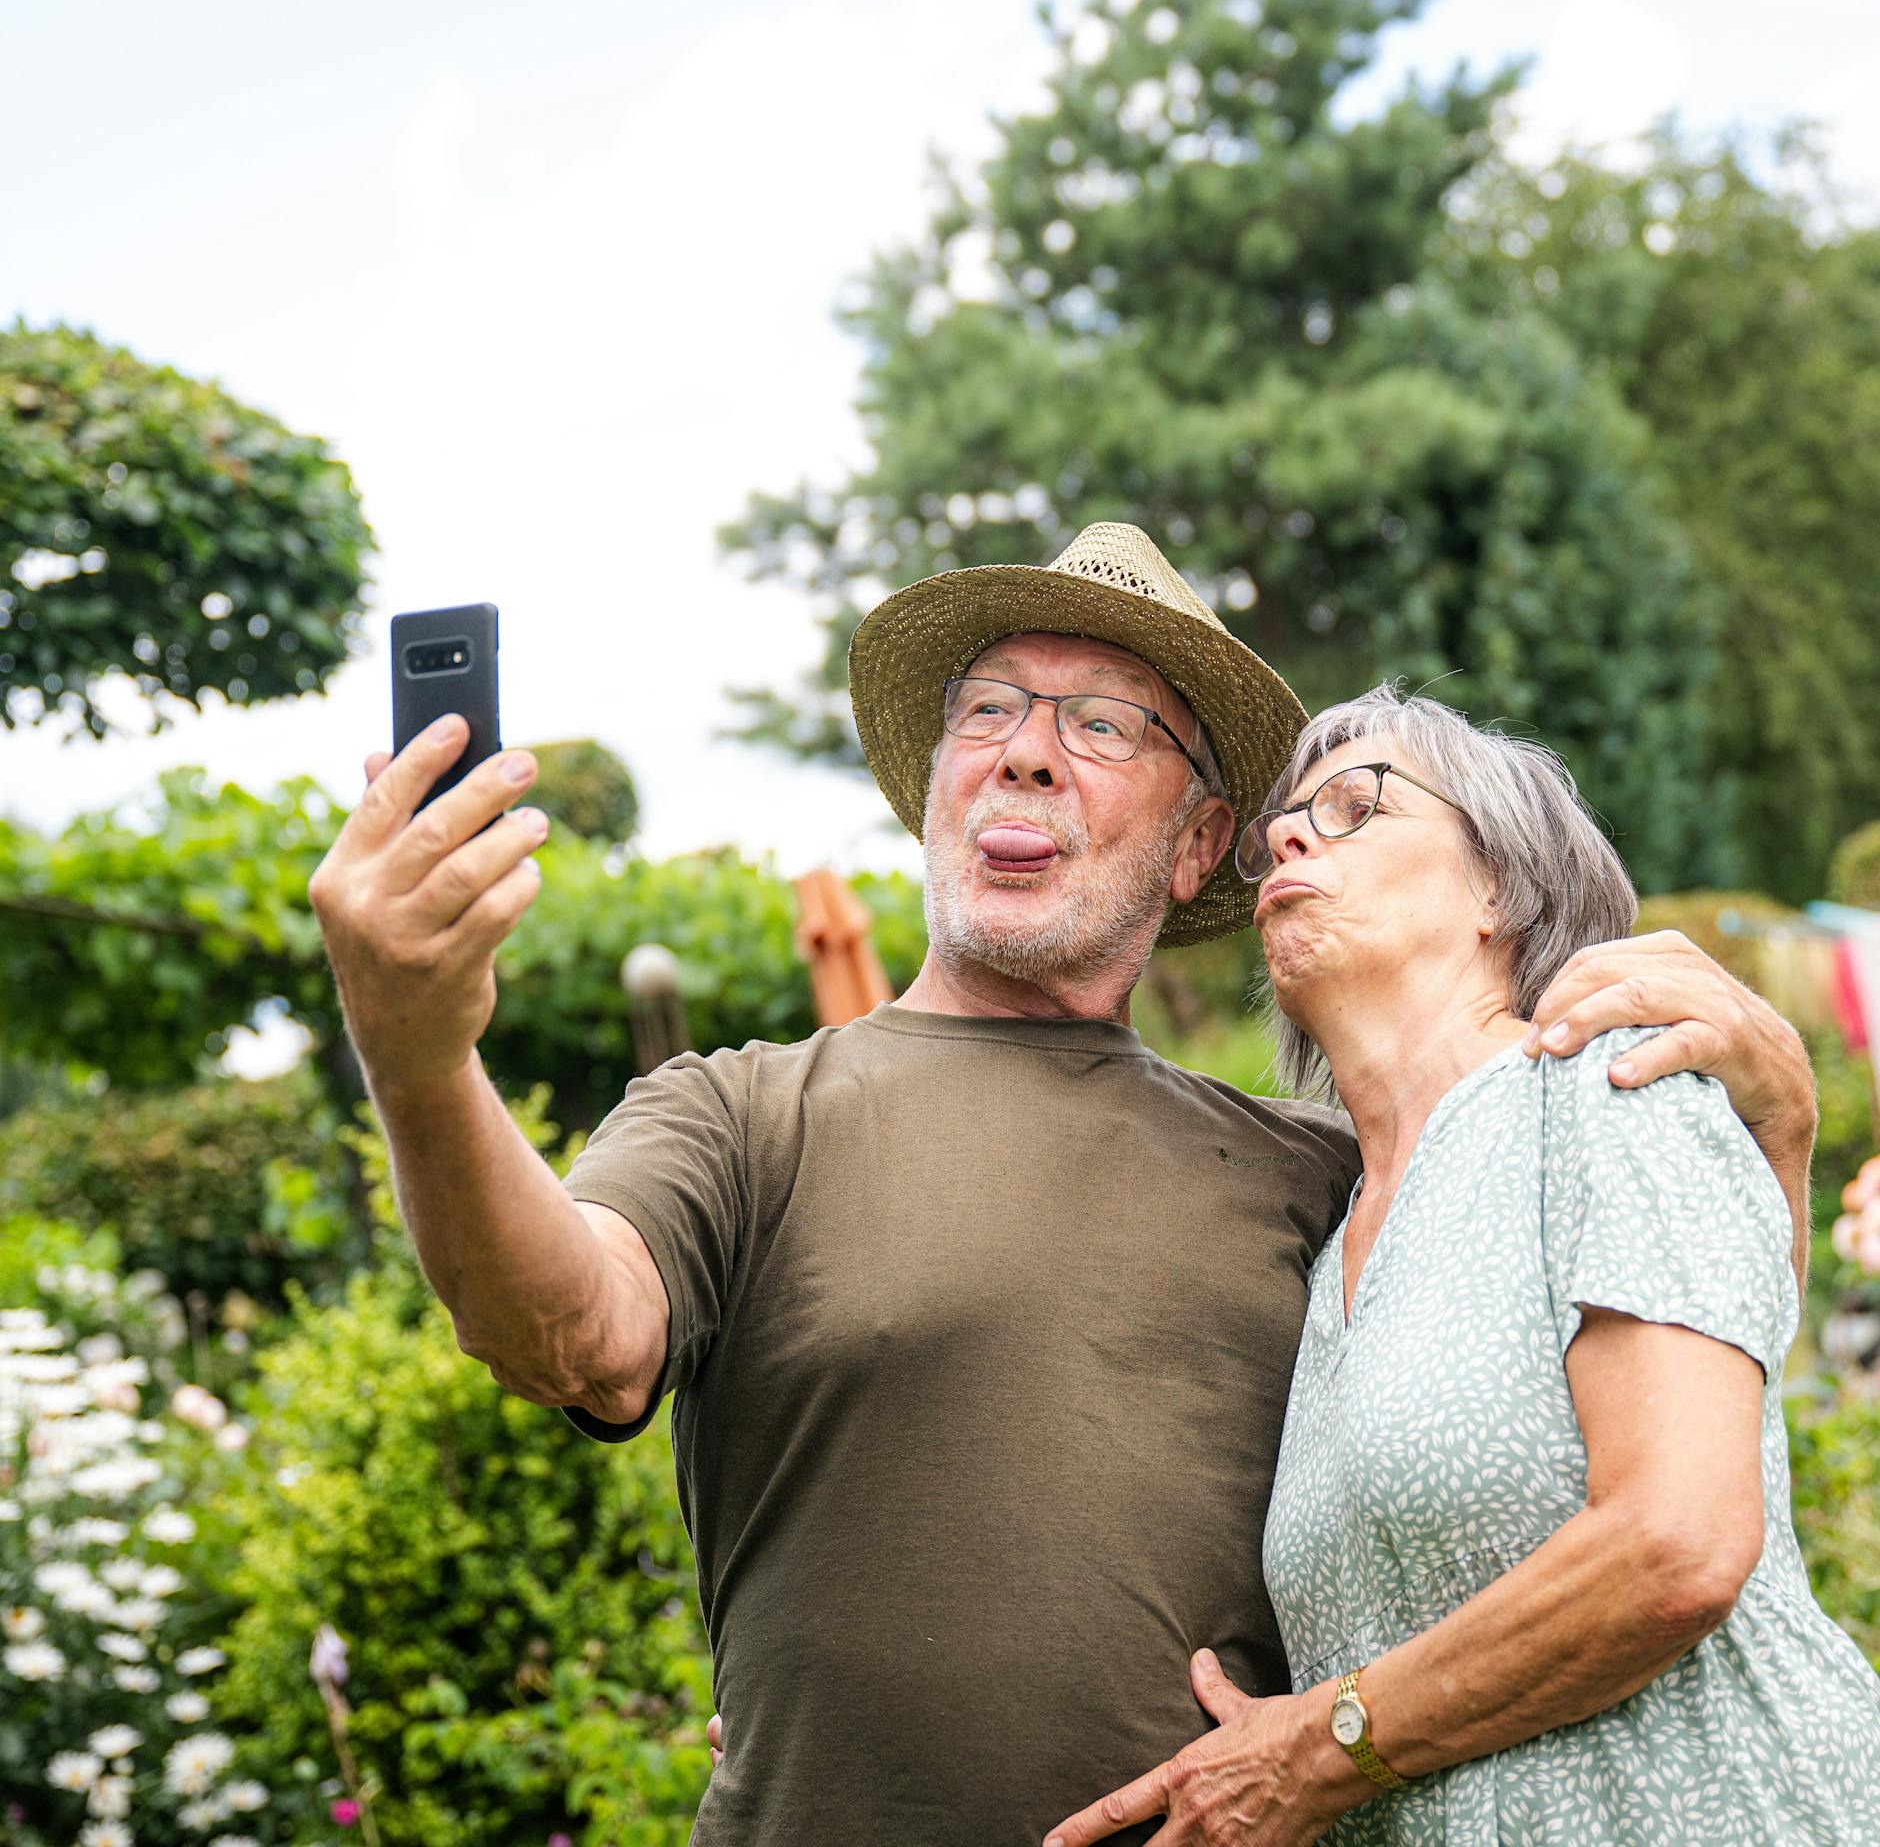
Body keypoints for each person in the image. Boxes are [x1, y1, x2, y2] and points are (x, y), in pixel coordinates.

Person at [308, 523, 1818, 1847]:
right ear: (936, 788)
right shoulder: (742, 1114)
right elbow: (566, 1326)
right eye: (990, 711)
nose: (1026, 748)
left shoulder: (1339, 1180)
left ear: (1197, 845)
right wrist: (421, 1056)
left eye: (1103, 723)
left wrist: (1778, 1130)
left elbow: (1658, 1422)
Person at [1045, 689, 1879, 1847]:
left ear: (1498, 882)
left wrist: (1312, 1749)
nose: (1286, 834)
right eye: (1282, 820)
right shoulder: (1331, 1229)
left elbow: (1675, 1538)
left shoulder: (1609, 1084)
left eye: (1352, 806)